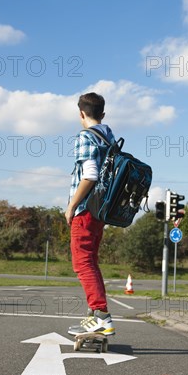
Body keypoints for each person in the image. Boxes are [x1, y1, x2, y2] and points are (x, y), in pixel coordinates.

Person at [65, 92, 115, 336]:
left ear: (81, 114)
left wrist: (72, 205)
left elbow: (90, 174)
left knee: (82, 263)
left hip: (86, 209)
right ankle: (92, 319)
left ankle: (102, 316)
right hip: (101, 211)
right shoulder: (109, 138)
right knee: (91, 263)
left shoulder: (85, 137)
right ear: (103, 114)